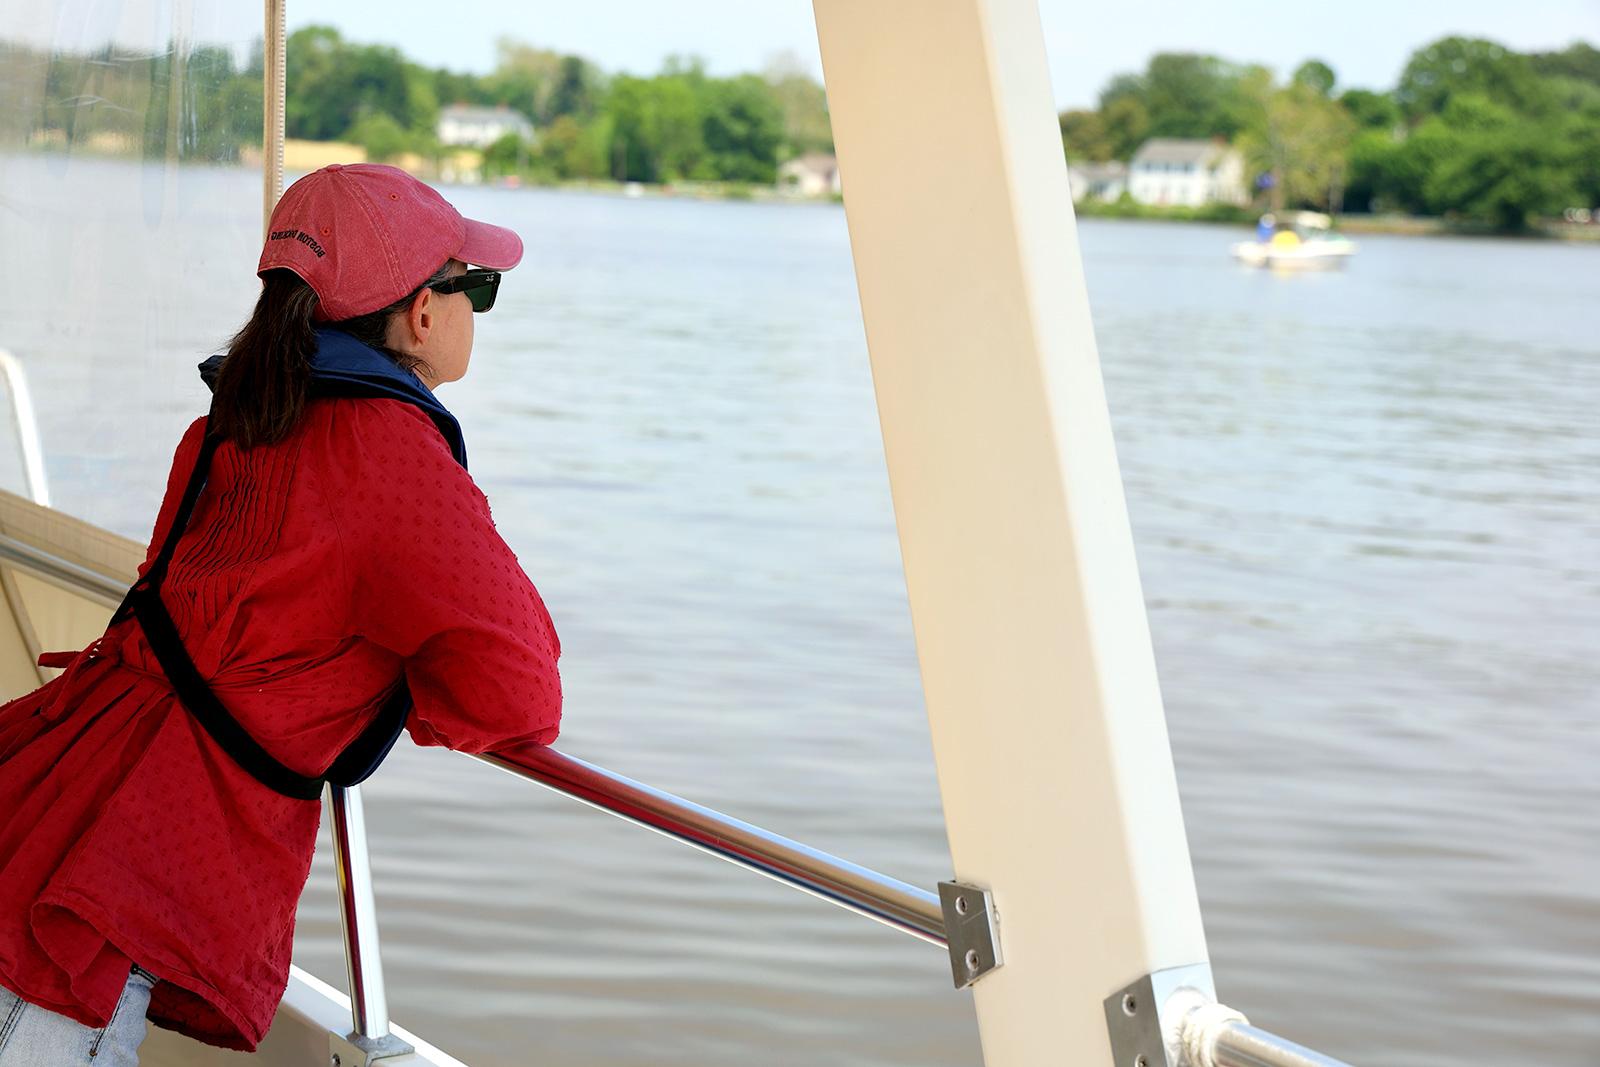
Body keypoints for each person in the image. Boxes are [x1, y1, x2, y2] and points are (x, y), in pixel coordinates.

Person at [0, 163, 563, 1063]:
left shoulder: (228, 419)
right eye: (478, 288)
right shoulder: (389, 455)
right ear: (424, 310)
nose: (475, 311)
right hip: (88, 899)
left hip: (49, 796)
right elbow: (515, 690)